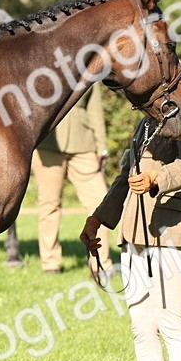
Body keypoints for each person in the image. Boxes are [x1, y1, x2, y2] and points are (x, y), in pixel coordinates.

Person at [80, 110, 181, 361]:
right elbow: (126, 176)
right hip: (134, 230)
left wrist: (157, 179)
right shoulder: (145, 122)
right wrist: (98, 219)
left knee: (170, 320)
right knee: (141, 324)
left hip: (176, 229)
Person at [32, 84, 114, 274]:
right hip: (48, 144)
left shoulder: (88, 69)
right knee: (49, 205)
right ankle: (50, 263)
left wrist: (101, 145)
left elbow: (95, 110)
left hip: (83, 144)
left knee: (99, 203)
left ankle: (101, 263)